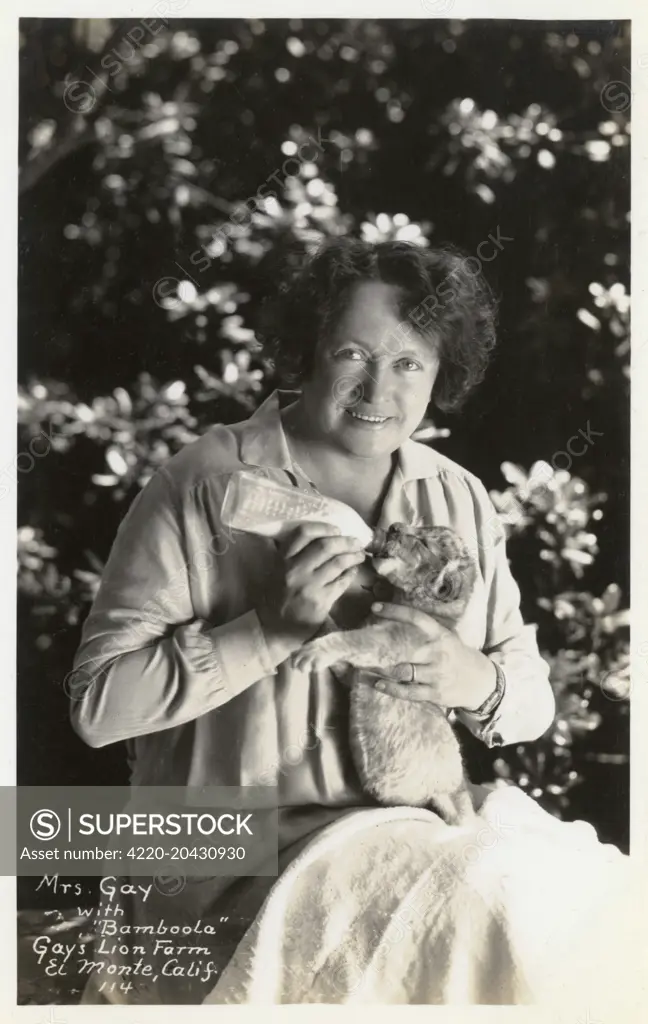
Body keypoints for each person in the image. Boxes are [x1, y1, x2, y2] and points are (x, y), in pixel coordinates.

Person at [71, 238, 556, 1005]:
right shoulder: (203, 483)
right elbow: (98, 709)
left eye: (408, 364)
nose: (377, 387)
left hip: (393, 847)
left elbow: (531, 700)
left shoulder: (456, 497)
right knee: (489, 918)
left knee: (564, 908)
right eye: (353, 353)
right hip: (227, 865)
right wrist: (267, 629)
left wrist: (474, 677)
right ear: (308, 352)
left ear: (441, 374)